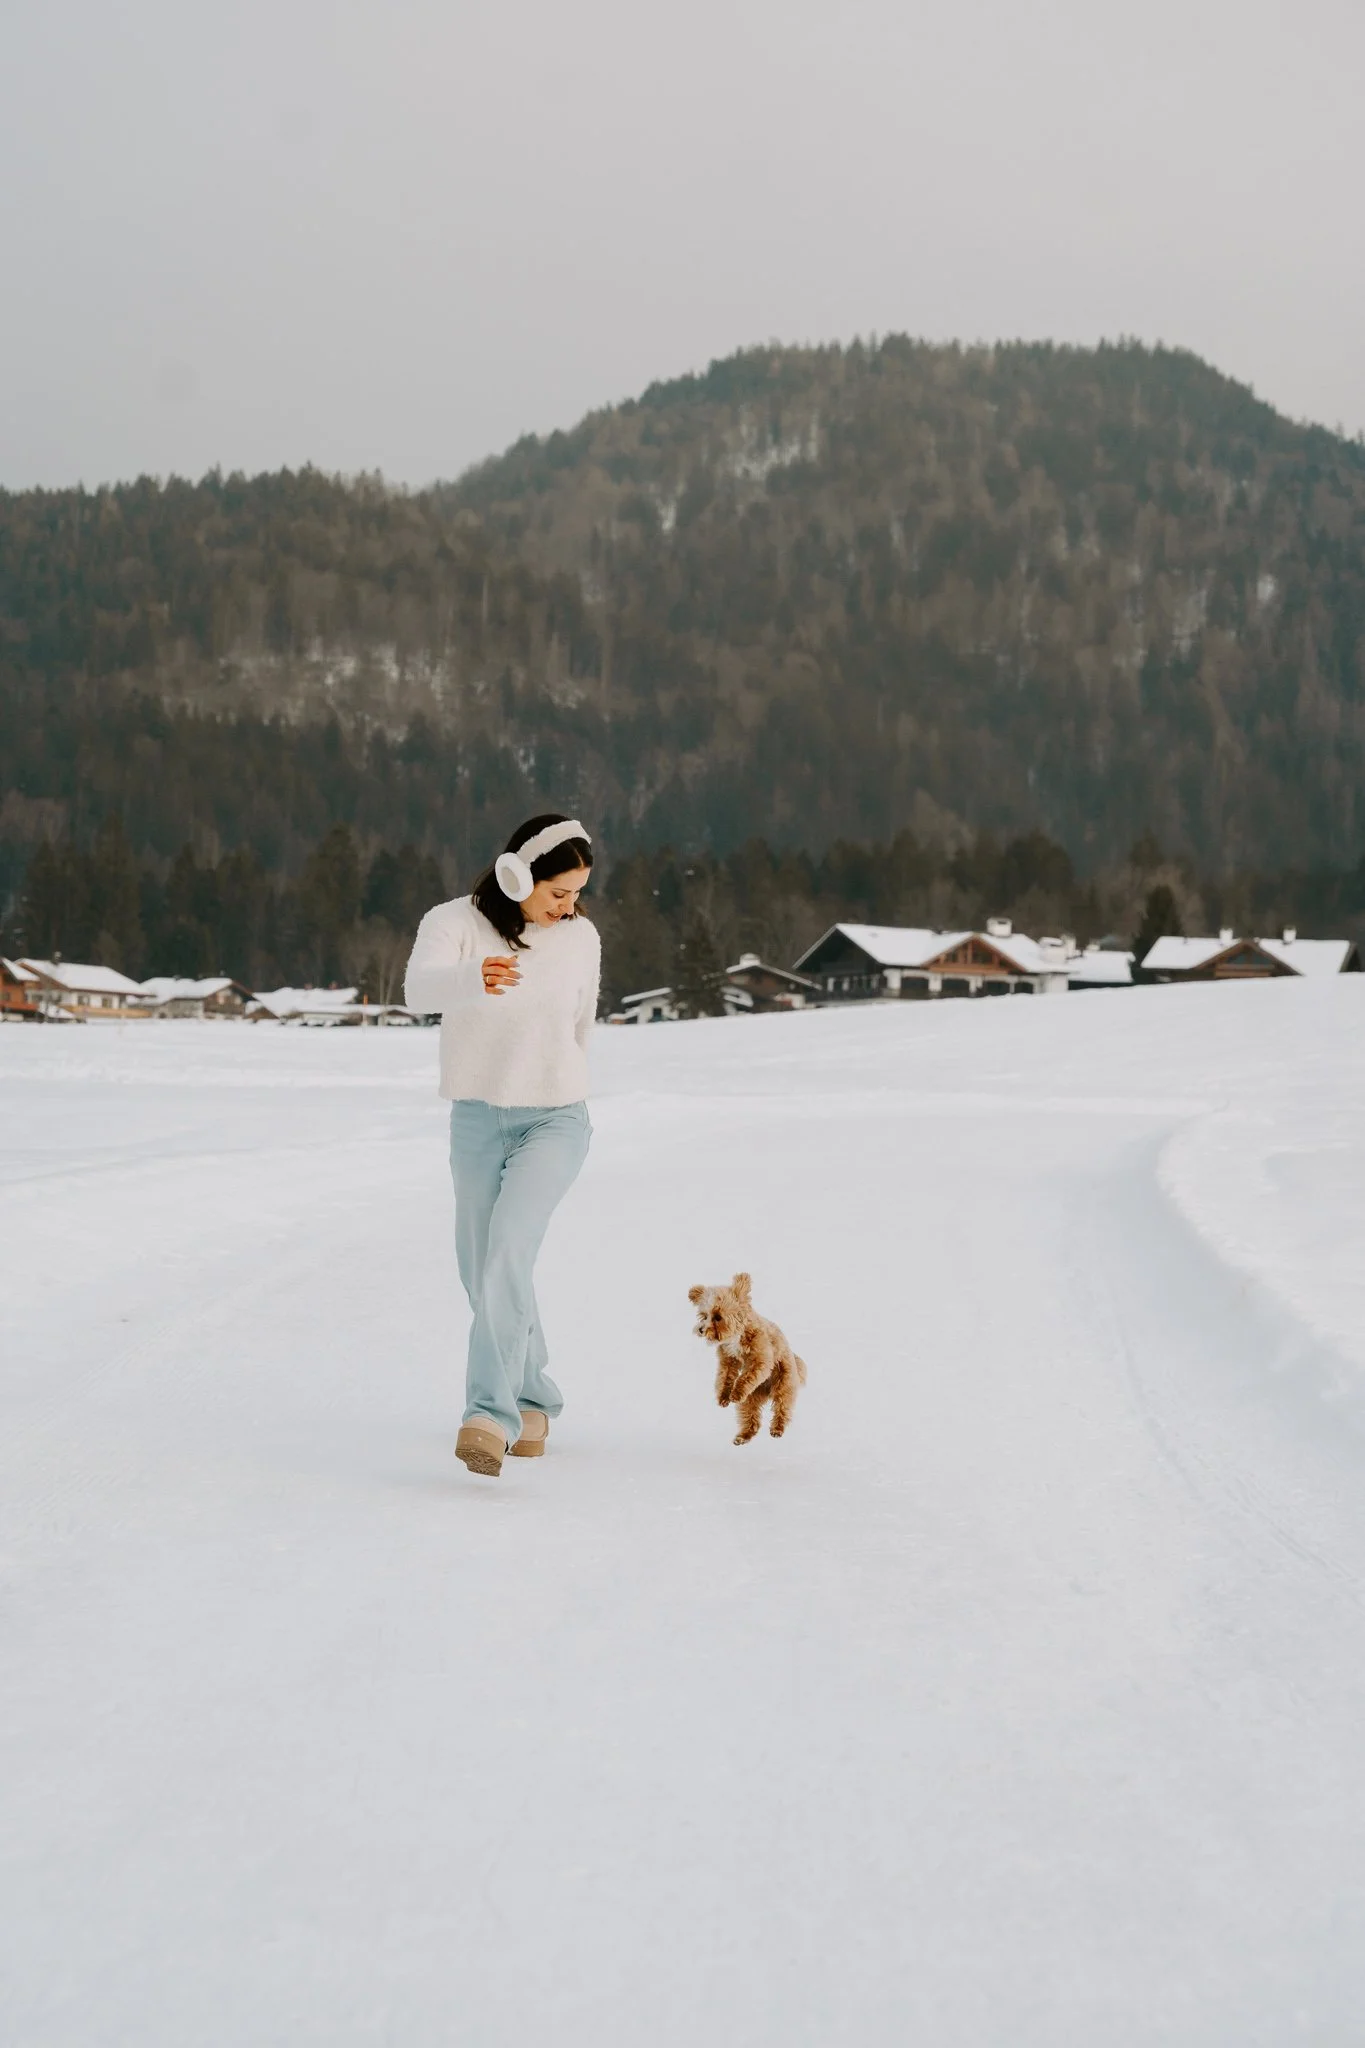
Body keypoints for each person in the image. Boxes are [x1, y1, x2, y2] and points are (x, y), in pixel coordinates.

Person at [405, 814, 599, 1479]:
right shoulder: (453, 923)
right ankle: (535, 1395)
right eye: (558, 892)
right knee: (481, 1267)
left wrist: (562, 1084)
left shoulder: (580, 938)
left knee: (508, 1249)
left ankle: (488, 1414)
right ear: (517, 874)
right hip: (476, 1118)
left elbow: (582, 1025)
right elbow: (415, 991)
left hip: (555, 1120)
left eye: (577, 893)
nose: (569, 906)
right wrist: (472, 979)